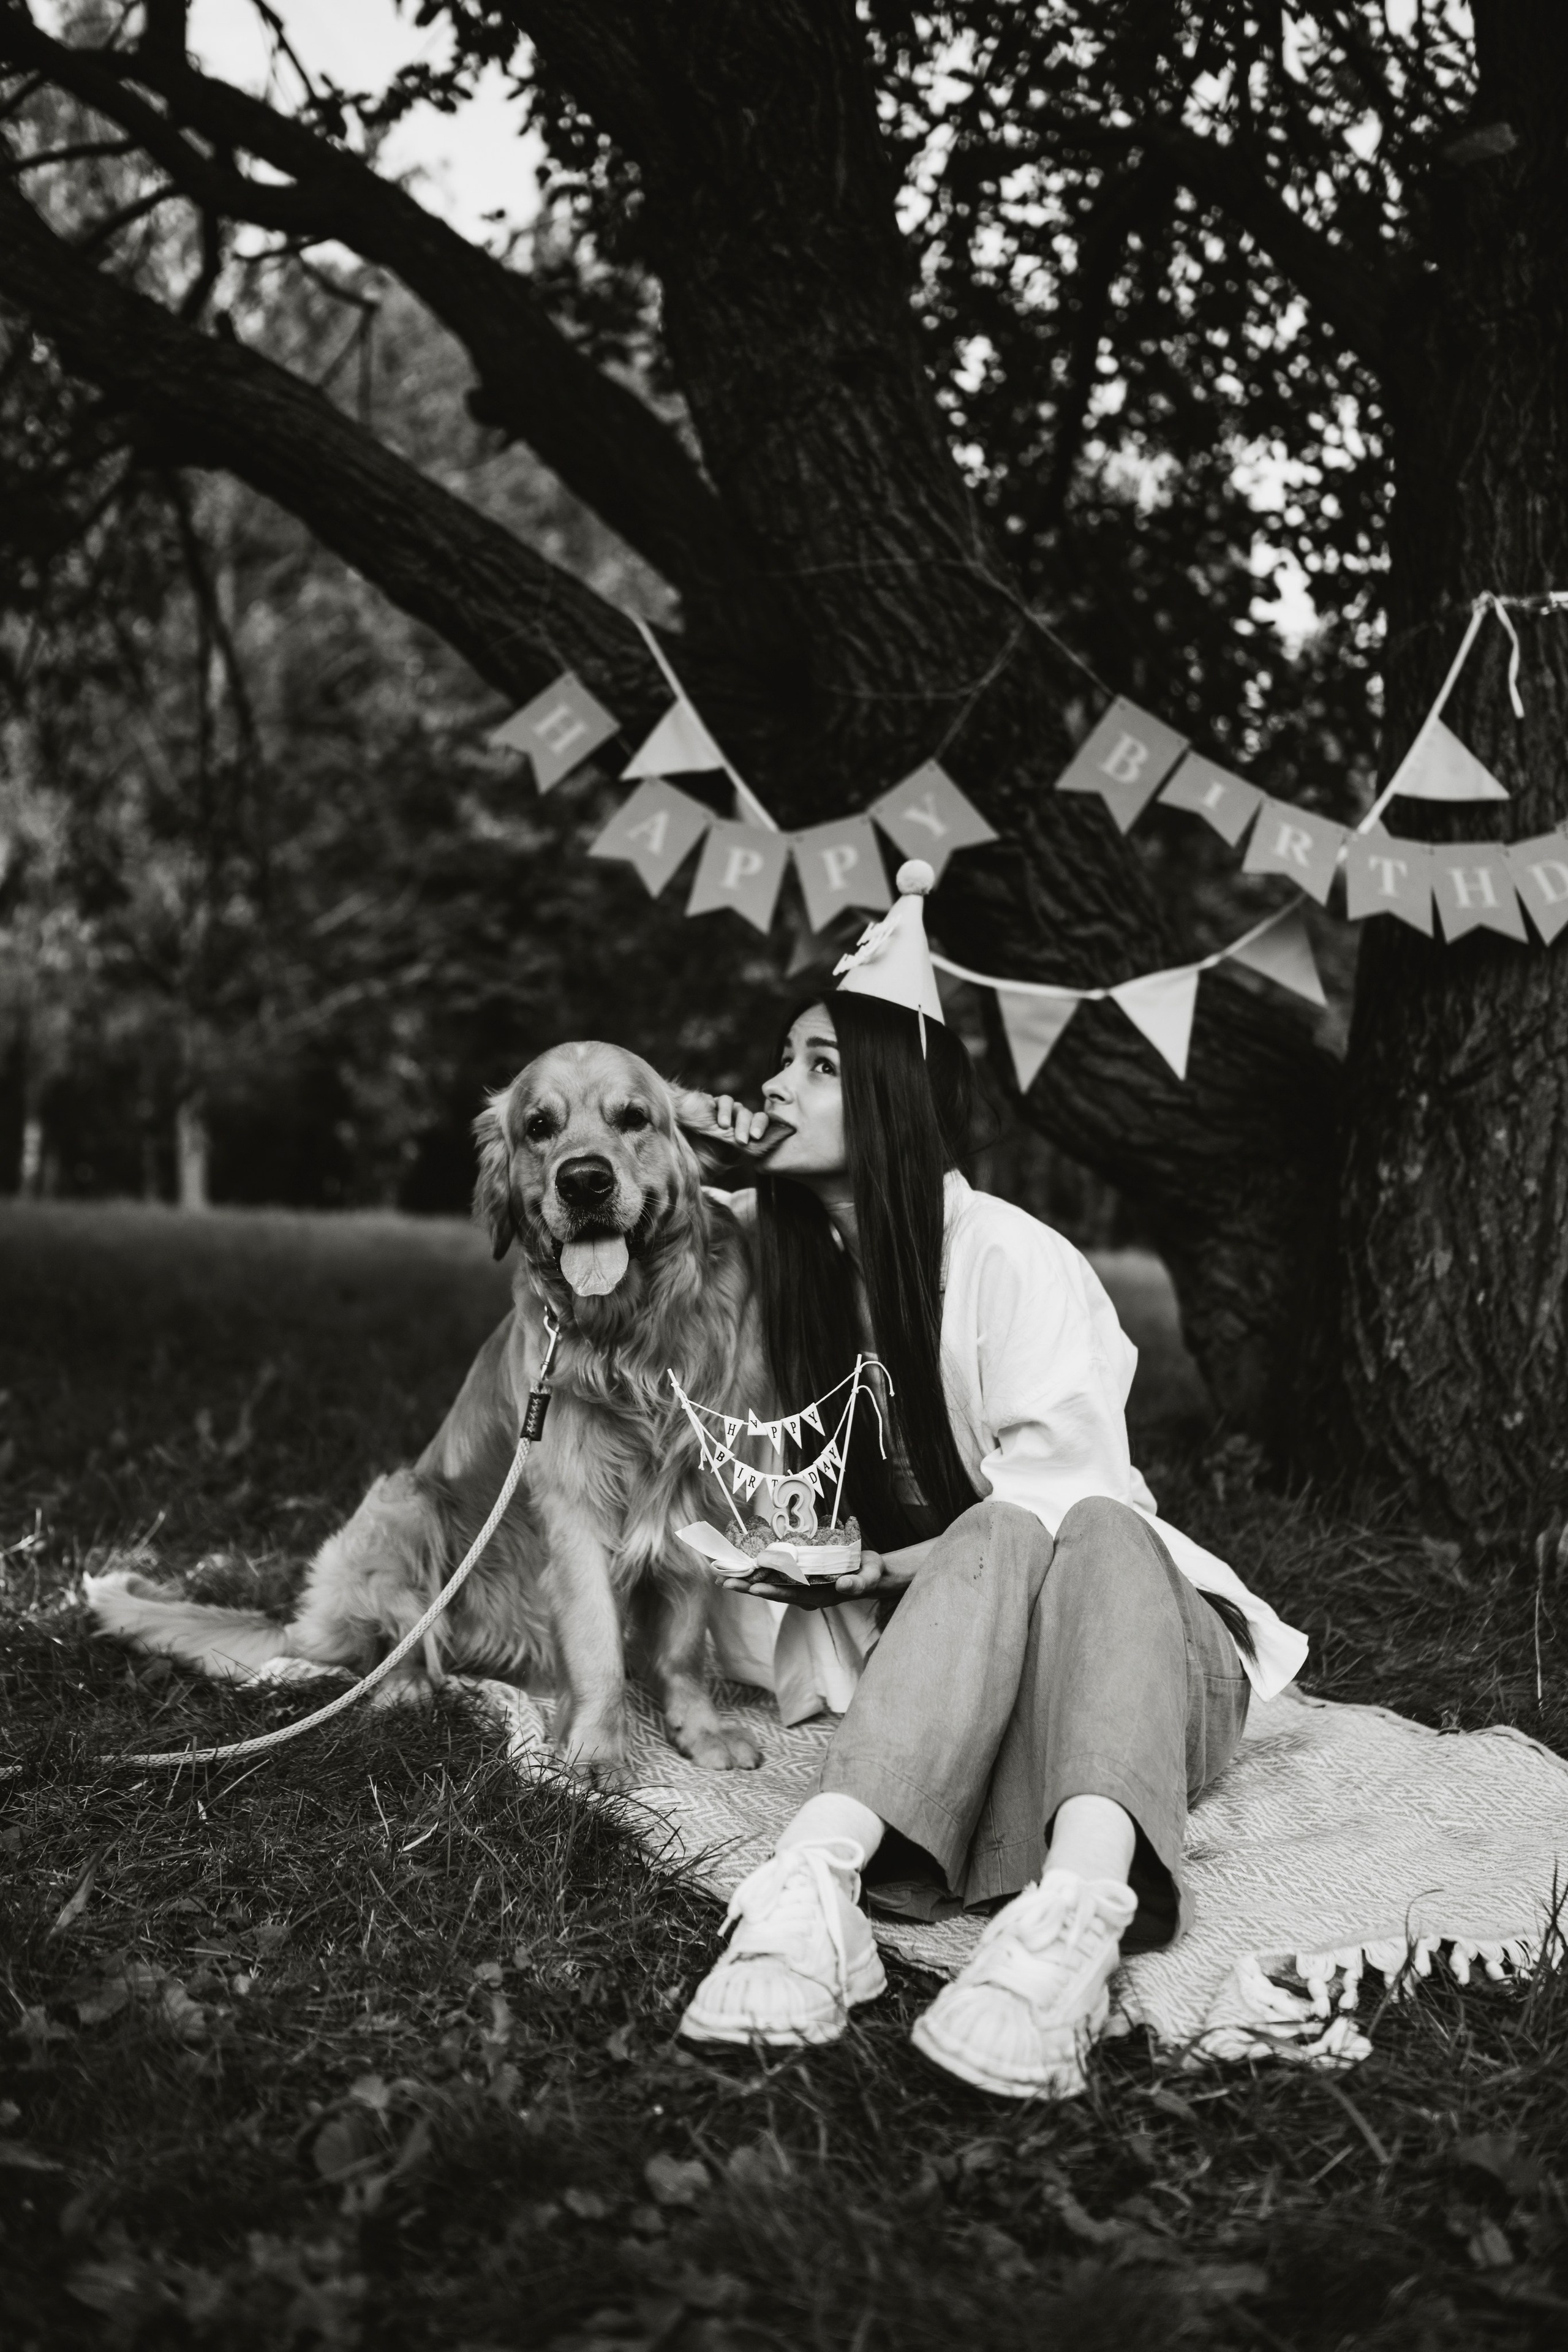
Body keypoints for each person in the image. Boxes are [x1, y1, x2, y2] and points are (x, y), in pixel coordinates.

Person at [679, 860, 1307, 2100]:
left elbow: (1061, 1505)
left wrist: (878, 1567)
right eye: (777, 1062)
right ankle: (813, 1890)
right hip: (980, 1682)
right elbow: (617, 1227)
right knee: (990, 1546)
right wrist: (670, 1116)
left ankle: (1072, 1922)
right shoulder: (785, 1263)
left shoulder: (1015, 1262)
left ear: (890, 1097)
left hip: (1131, 1649)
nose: (770, 1083)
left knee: (1050, 1526)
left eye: (815, 1065)